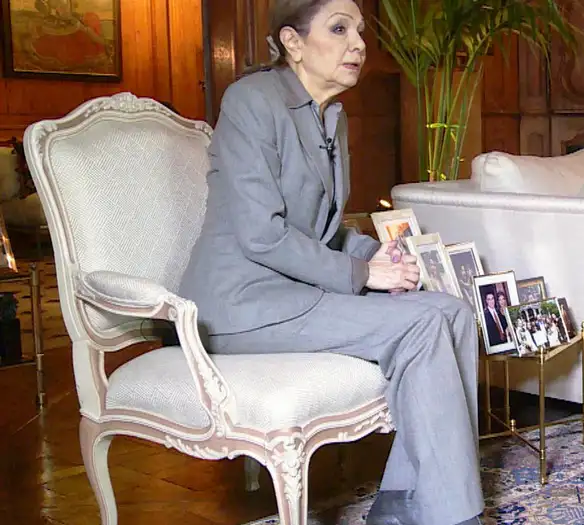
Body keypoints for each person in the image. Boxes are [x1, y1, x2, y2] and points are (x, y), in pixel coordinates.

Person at [176, 1, 484, 523]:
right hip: (241, 303)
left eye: (359, 31)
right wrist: (363, 275)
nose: (358, 44)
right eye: (339, 29)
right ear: (293, 42)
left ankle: (405, 505)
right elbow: (263, 235)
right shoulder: (251, 101)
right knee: (422, 324)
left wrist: (373, 253)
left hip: (297, 293)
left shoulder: (331, 116)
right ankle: (450, 517)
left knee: (452, 311)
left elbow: (320, 229)